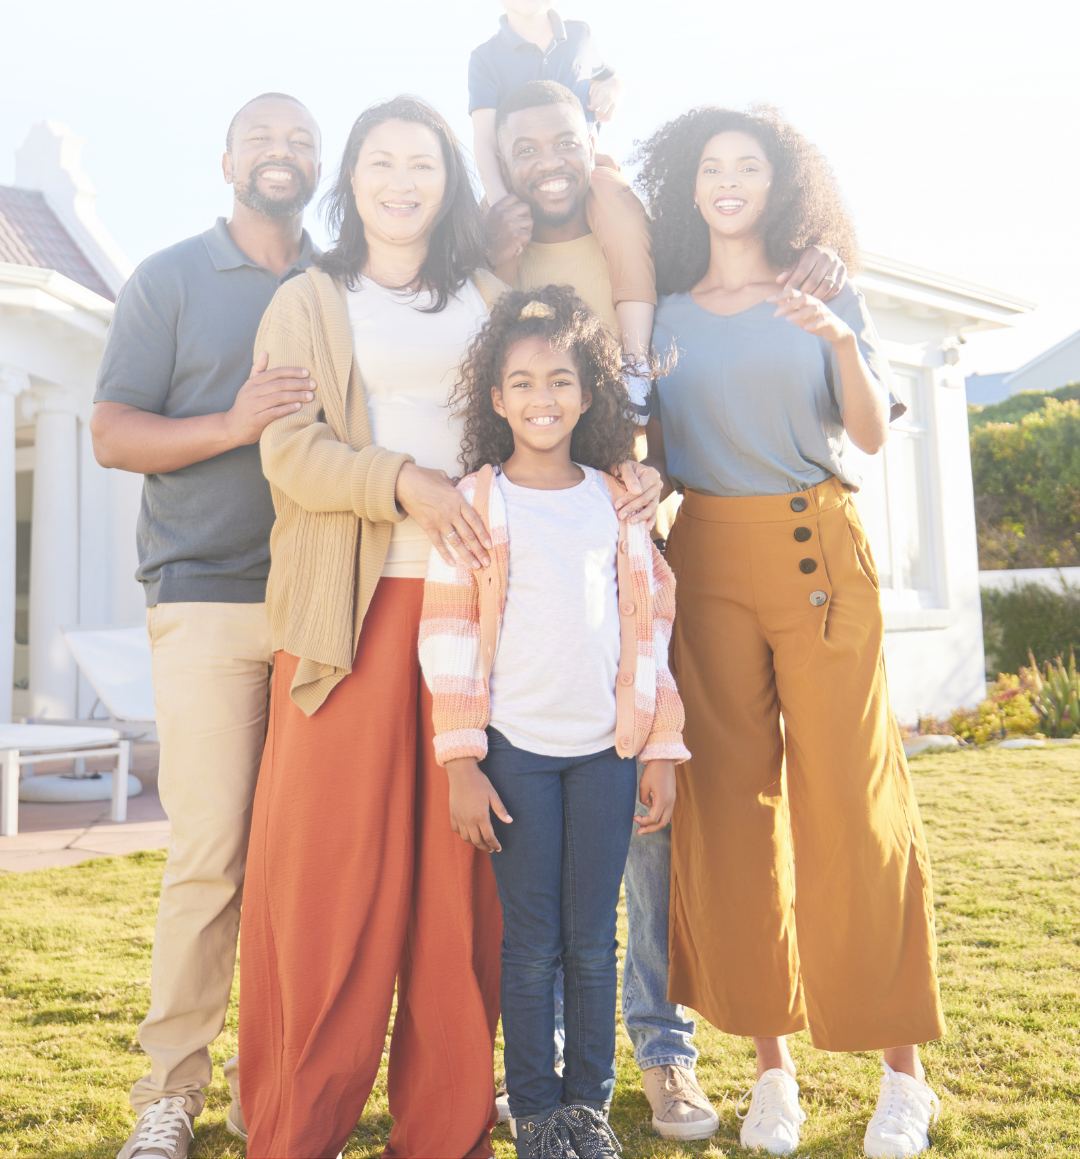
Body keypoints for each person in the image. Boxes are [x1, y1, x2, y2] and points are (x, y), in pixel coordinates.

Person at [236, 97, 662, 1159]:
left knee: (464, 891)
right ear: (354, 179)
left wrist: (634, 474)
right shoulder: (311, 299)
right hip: (354, 614)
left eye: (421, 162)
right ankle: (299, 1125)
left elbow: (550, 410)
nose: (400, 180)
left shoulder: (488, 295)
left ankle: (445, 1127)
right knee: (328, 886)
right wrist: (405, 485)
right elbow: (288, 453)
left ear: (447, 183)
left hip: (489, 627)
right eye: (380, 161)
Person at [483, 79, 848, 1144]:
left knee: (642, 832)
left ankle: (662, 1052)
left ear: (592, 140)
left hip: (626, 517)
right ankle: (541, 1071)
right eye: (523, 143)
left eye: (563, 137)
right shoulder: (496, 239)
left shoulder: (630, 225)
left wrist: (817, 259)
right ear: (498, 157)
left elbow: (700, 320)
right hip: (524, 524)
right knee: (535, 859)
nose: (545, 156)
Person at [638, 105, 945, 1159]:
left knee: (851, 808)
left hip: (819, 549)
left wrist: (845, 341)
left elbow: (865, 434)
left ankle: (904, 1076)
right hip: (708, 559)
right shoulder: (665, 316)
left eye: (749, 168)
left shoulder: (822, 290)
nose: (730, 182)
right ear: (692, 186)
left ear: (779, 185)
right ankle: (774, 1072)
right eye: (714, 168)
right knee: (729, 814)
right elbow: (662, 454)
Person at [91, 93, 323, 1159]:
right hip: (206, 602)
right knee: (211, 858)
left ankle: (277, 1091)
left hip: (331, 608)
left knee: (314, 861)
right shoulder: (169, 279)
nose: (282, 153)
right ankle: (170, 1092)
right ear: (226, 158)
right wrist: (231, 423)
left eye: (300, 140)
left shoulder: (342, 283)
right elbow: (109, 432)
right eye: (263, 137)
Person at [419, 286, 689, 1159]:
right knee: (532, 945)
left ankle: (588, 1111)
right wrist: (462, 759)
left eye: (561, 381)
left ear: (587, 393)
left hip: (605, 754)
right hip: (517, 755)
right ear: (496, 398)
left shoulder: (617, 500)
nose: (543, 398)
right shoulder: (476, 502)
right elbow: (450, 635)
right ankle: (536, 1111)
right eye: (523, 382)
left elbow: (652, 628)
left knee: (592, 940)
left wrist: (661, 745)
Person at [459, 0, 656, 376]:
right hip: (512, 176)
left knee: (626, 216)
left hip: (583, 170)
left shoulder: (582, 35)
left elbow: (611, 76)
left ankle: (634, 363)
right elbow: (485, 138)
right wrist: (501, 198)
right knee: (481, 253)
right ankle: (496, 370)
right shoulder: (485, 58)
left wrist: (614, 87)